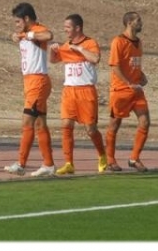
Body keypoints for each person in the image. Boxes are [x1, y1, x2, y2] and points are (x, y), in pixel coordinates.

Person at [49, 14, 107, 174]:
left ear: (77, 28)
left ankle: (102, 155)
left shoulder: (90, 43)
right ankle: (69, 163)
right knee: (66, 125)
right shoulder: (66, 46)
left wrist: (80, 49)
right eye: (65, 27)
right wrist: (53, 51)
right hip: (69, 91)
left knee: (91, 129)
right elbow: (54, 60)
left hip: (86, 91)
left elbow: (95, 59)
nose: (65, 30)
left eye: (68, 27)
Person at [4, 2, 56, 177]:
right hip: (29, 82)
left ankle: (21, 164)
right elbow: (18, 36)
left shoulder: (37, 30)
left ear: (27, 19)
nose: (16, 25)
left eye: (18, 21)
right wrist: (17, 35)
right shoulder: (24, 33)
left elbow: (48, 35)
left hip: (38, 81)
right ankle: (48, 164)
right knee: (40, 123)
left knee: (27, 122)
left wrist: (28, 34)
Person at [105, 11, 150, 172]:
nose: (141, 23)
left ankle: (134, 158)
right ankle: (110, 159)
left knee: (145, 121)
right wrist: (128, 83)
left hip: (136, 91)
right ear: (129, 23)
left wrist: (142, 76)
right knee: (114, 124)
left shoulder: (139, 42)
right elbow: (115, 66)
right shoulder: (118, 41)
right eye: (138, 20)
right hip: (120, 90)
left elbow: (133, 64)